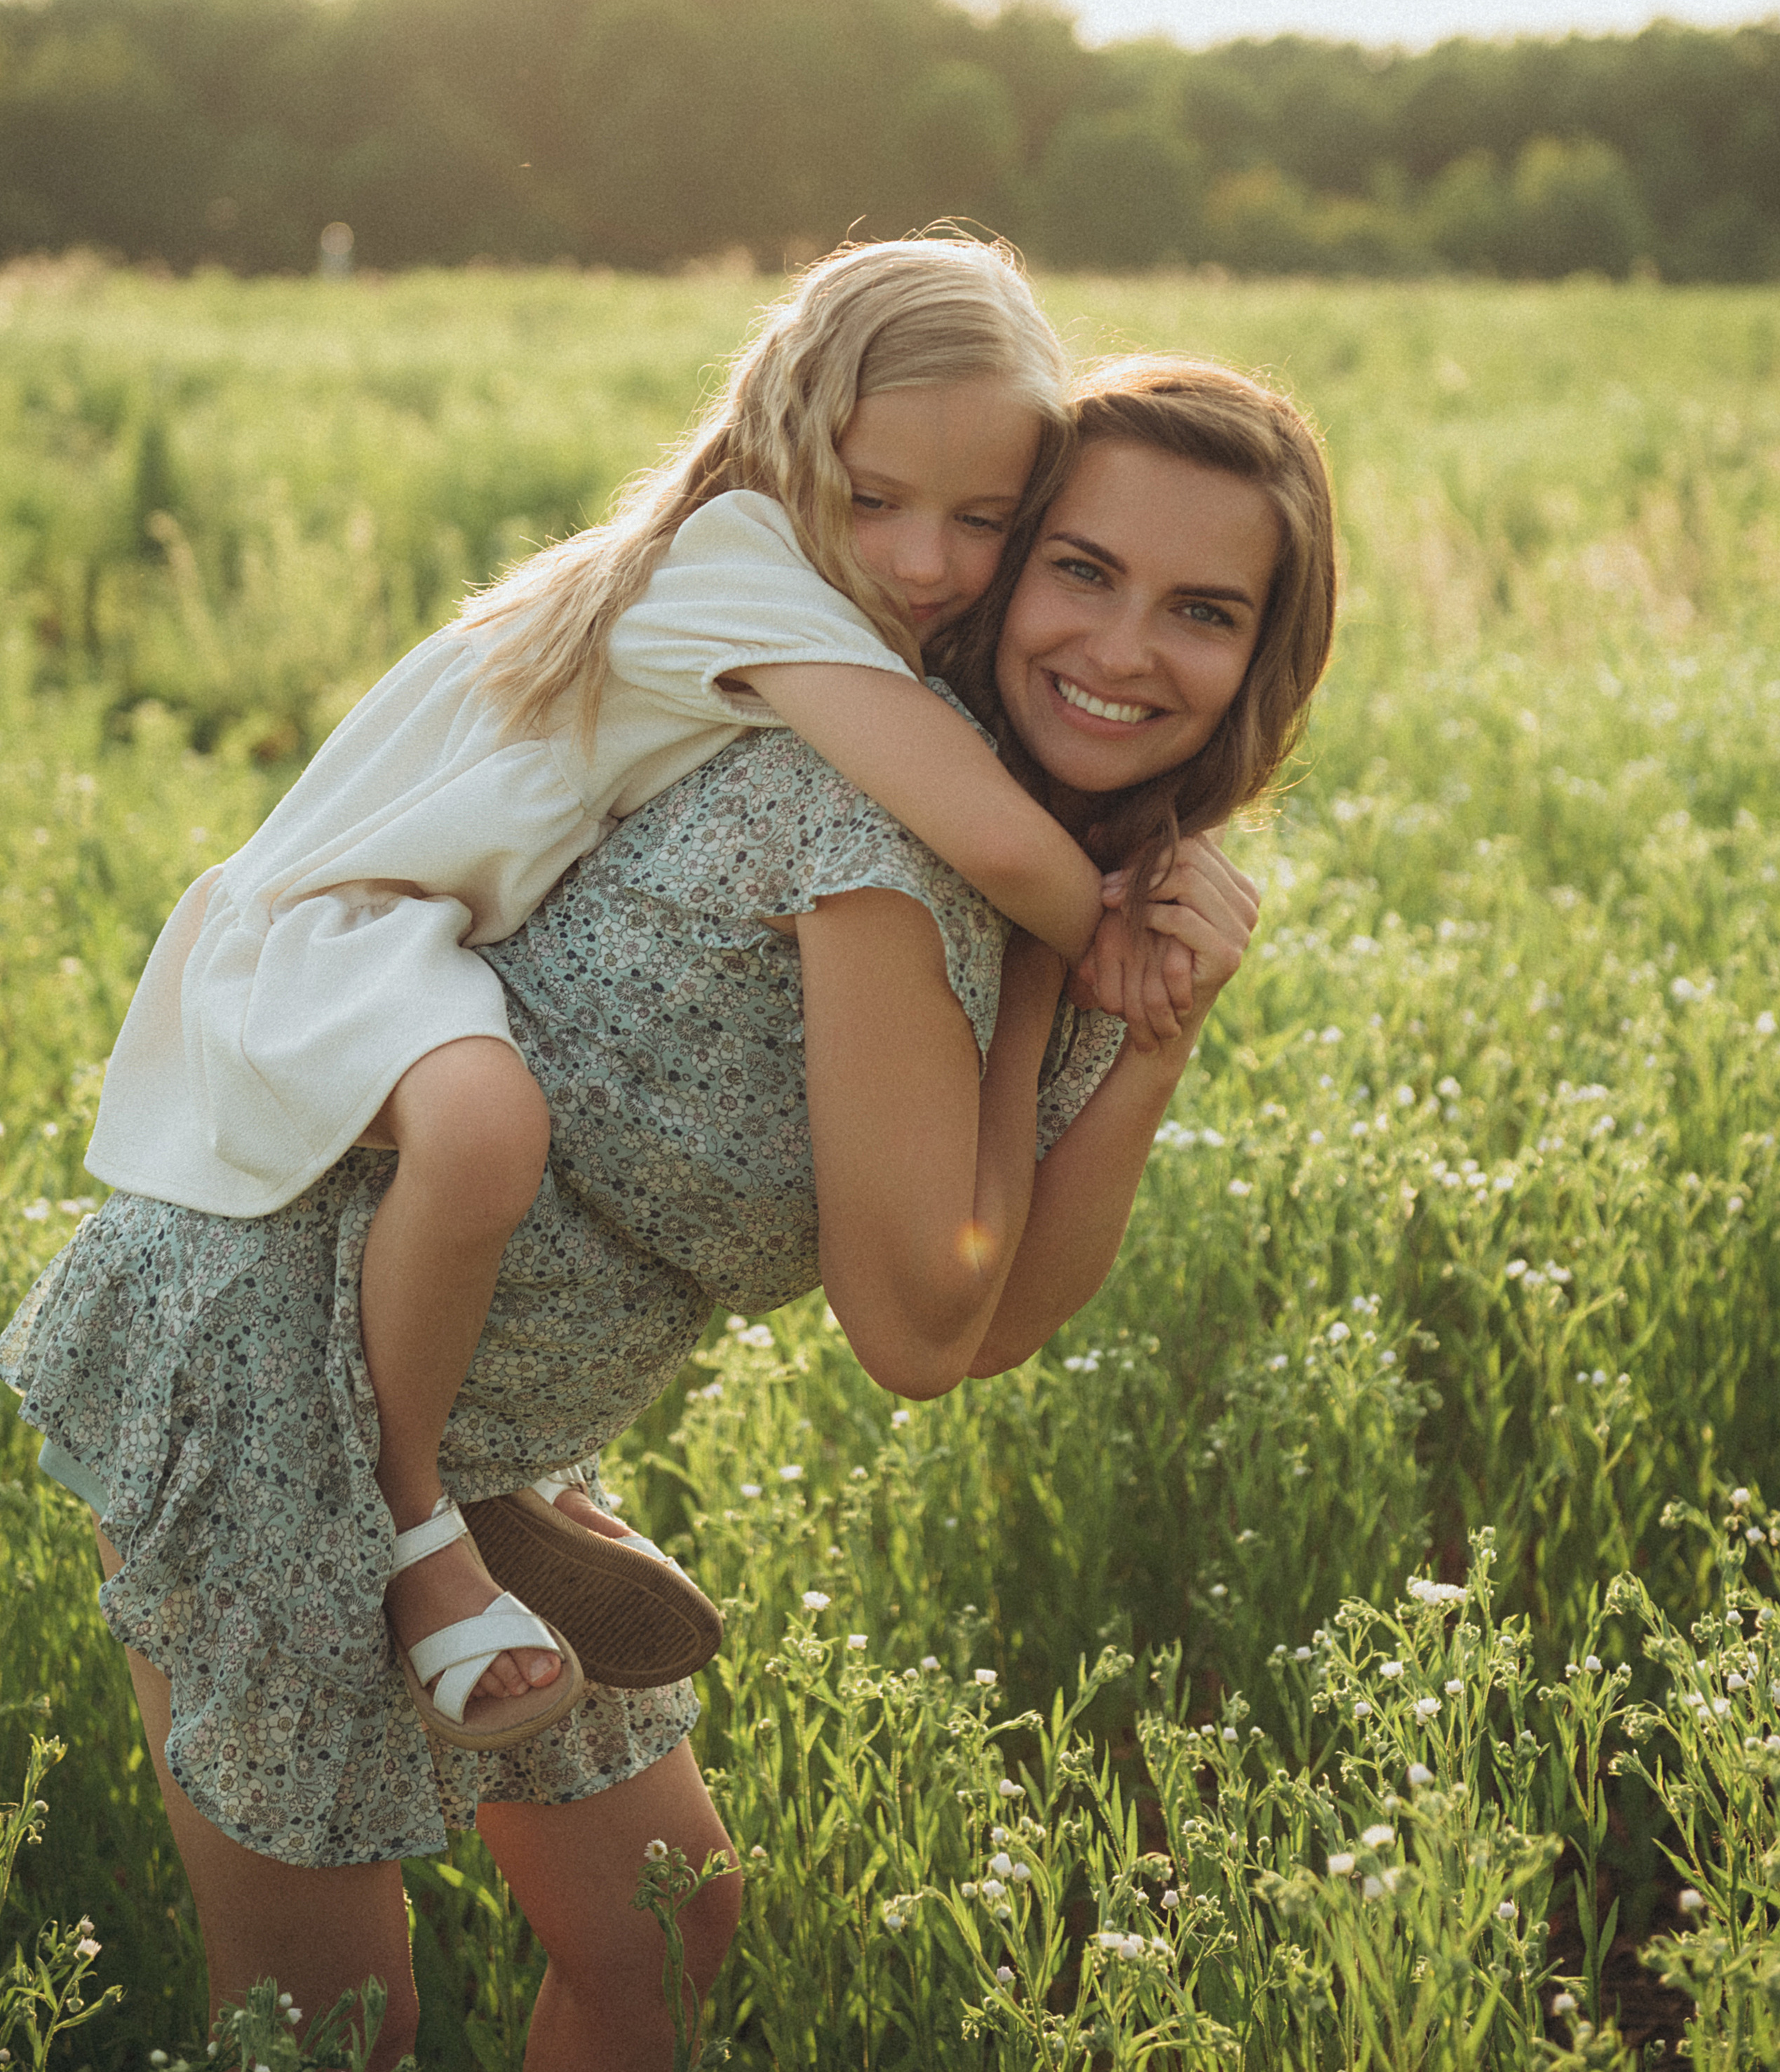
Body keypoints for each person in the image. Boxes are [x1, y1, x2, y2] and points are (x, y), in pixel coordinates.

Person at [1, 352, 1337, 2071]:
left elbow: (1006, 1316)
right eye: (1079, 570)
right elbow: (922, 1333)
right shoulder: (870, 813)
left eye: (1202, 609)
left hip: (489, 1431)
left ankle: (485, 1513)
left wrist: (1148, 1035)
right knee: (324, 2019)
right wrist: (1042, 995)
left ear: (1259, 657)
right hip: (284, 1338)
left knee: (663, 1922)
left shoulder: (1052, 856)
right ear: (1007, 575)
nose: (1122, 647)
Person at [76, 235, 1119, 1746]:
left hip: (434, 936)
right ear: (782, 444)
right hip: (336, 933)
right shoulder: (742, 572)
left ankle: (516, 1478)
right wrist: (1125, 920)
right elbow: (988, 836)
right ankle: (417, 1518)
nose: (921, 562)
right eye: (873, 496)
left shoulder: (812, 590)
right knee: (488, 1128)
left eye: (984, 521)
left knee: (501, 1114)